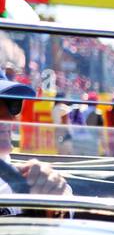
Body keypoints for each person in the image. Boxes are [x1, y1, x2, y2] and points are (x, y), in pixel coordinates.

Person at [0, 76, 71, 213]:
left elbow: (71, 213)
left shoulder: (25, 178)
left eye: (13, 105)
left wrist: (53, 203)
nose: (9, 118)